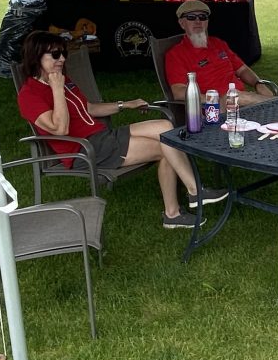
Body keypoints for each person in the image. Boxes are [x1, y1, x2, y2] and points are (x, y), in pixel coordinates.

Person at [16, 30, 228, 229]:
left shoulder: (64, 81)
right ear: (36, 57)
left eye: (63, 53)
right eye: (55, 54)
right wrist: (56, 89)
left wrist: (126, 104)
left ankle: (184, 202)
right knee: (166, 146)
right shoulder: (29, 95)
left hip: (102, 137)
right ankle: (185, 201)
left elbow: (89, 108)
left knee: (166, 129)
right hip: (84, 151)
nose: (62, 59)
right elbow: (60, 129)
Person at [164, 0, 278, 198]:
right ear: (181, 22)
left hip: (244, 103)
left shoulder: (218, 44)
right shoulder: (176, 54)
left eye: (202, 17)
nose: (198, 22)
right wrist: (213, 98)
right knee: (244, 98)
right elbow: (178, 92)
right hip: (213, 109)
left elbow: (243, 69)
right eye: (191, 17)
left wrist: (258, 83)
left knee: (277, 118)